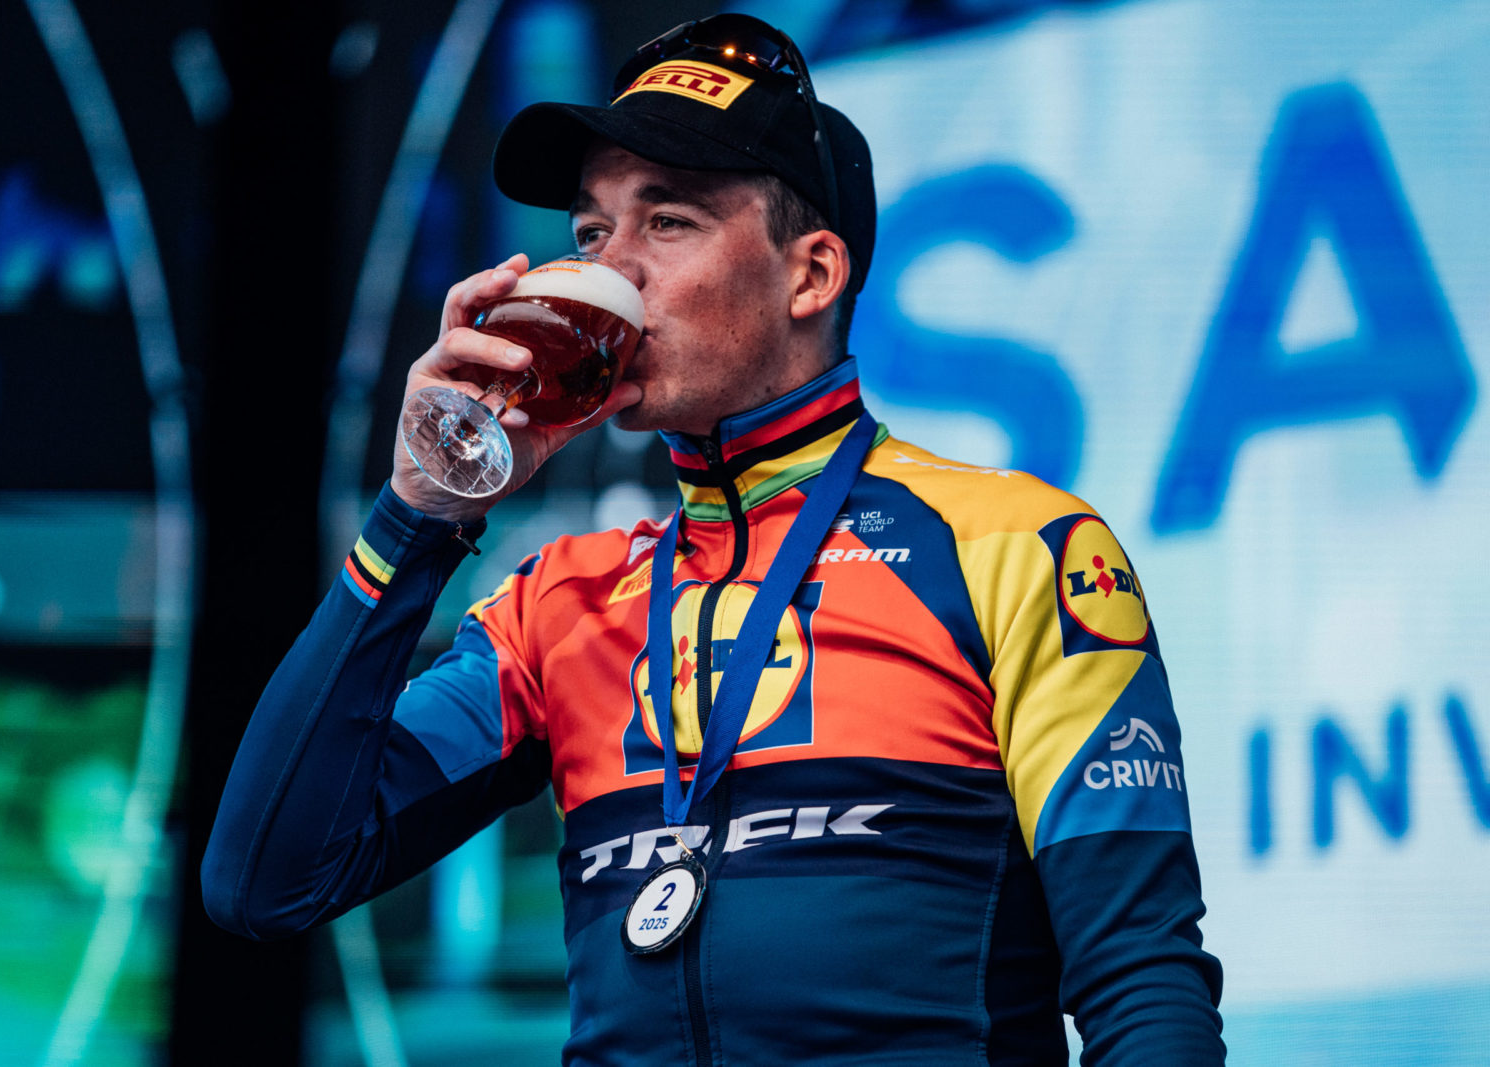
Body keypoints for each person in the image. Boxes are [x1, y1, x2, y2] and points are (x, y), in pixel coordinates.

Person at [203, 14, 1224, 1065]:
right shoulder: (557, 606)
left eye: (668, 221)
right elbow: (267, 879)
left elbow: (1143, 983)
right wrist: (421, 510)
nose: (609, 267)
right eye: (590, 232)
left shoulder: (1010, 545)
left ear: (811, 275)